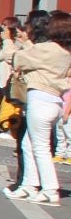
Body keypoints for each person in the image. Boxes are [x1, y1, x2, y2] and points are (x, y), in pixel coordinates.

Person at [8, 11, 70, 205]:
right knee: (28, 143)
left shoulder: (48, 48)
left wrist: (17, 41)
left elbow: (17, 59)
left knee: (41, 147)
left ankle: (50, 189)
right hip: (54, 100)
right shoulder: (65, 51)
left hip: (41, 99)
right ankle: (29, 185)